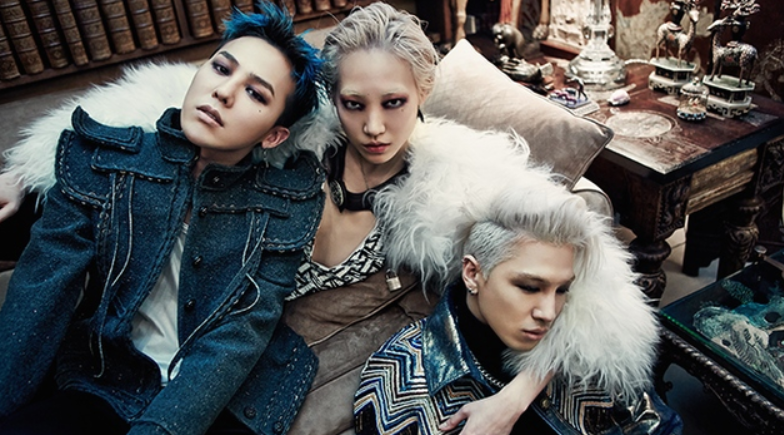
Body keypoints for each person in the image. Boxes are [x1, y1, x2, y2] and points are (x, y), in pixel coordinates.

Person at [0, 2, 594, 433]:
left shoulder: (454, 190)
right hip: (147, 351)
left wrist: (512, 400)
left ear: (423, 94)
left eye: (394, 103)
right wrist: (26, 167)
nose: (374, 127)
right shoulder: (288, 142)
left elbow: (575, 282)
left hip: (246, 369)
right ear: (333, 100)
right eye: (354, 104)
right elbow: (154, 106)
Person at [0, 3, 325, 434]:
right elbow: (41, 290)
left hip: (224, 399)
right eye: (221, 69)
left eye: (255, 93)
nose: (223, 92)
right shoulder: (103, 161)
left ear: (274, 135)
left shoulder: (282, 207)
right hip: (106, 376)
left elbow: (237, 336)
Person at [354, 176, 684, 434]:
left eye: (562, 289)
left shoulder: (587, 347)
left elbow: (660, 426)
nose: (549, 313)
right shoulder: (399, 379)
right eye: (529, 287)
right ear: (472, 273)